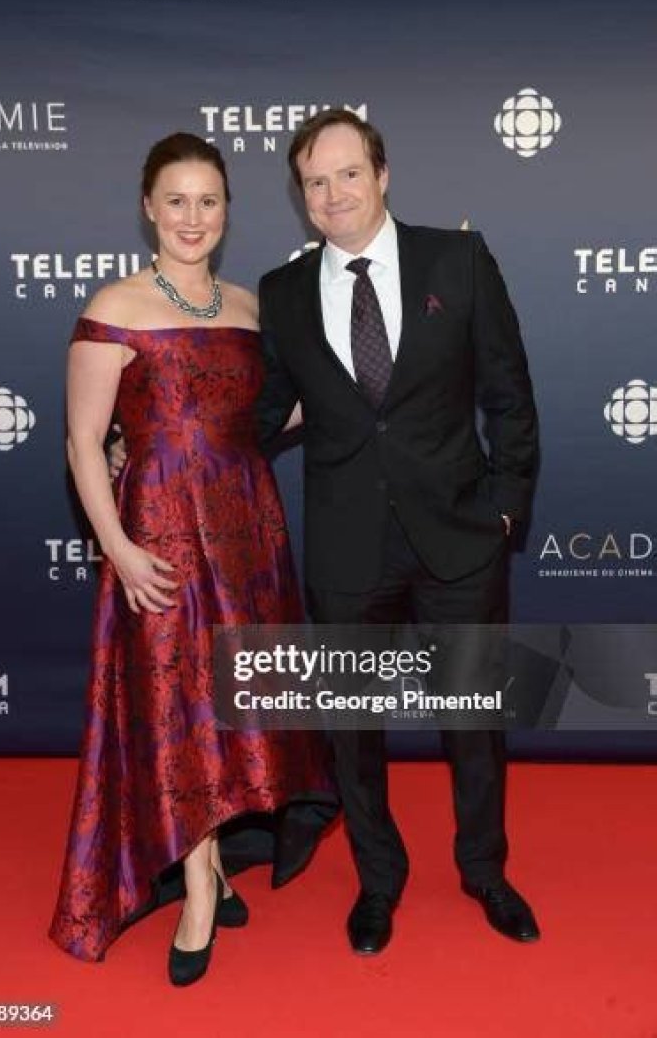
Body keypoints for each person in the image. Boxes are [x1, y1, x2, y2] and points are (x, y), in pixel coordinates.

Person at [48, 132, 336, 985]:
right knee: (178, 707)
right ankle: (198, 886)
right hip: (160, 535)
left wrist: (353, 382)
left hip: (247, 530)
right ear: (148, 207)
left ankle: (215, 862)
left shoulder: (249, 308)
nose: (192, 216)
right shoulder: (116, 304)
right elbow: (82, 440)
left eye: (208, 200)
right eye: (176, 200)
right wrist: (118, 548)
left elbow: (268, 415)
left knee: (231, 701)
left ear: (227, 211)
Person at [256, 109, 540, 954]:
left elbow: (510, 394)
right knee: (352, 729)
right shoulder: (282, 293)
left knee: (473, 720)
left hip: (459, 535)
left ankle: (485, 870)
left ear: (382, 174)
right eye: (315, 181)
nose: (334, 193)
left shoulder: (458, 260)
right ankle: (378, 879)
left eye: (349, 173)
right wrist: (160, 438)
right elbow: (265, 411)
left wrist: (505, 507)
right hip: (347, 545)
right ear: (302, 198)